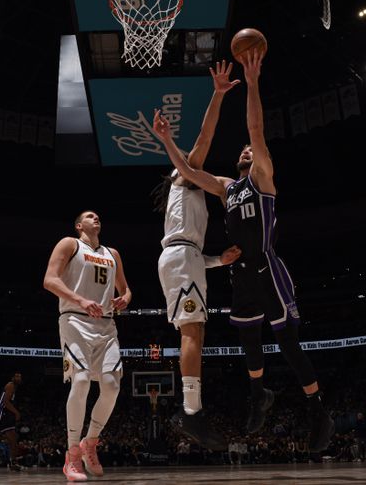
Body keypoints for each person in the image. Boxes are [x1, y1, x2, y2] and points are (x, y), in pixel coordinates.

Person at [151, 49, 333, 453]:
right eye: (244, 152)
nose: (246, 151)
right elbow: (190, 165)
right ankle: (256, 396)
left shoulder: (262, 175)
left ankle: (317, 410)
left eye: (250, 151)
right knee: (247, 339)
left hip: (267, 265)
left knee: (284, 342)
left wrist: (251, 84)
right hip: (231, 271)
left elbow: (254, 129)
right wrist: (166, 140)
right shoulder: (223, 187)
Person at [153, 60, 241, 449]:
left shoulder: (189, 193)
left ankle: (191, 409)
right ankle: (191, 414)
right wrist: (217, 95)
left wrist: (217, 261)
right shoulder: (184, 176)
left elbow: (191, 250)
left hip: (185, 259)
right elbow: (205, 136)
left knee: (197, 331)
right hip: (180, 259)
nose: (196, 158)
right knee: (193, 331)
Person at [44, 210, 132, 482]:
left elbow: (126, 290)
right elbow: (50, 280)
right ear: (78, 225)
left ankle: (89, 442)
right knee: (80, 381)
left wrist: (124, 298)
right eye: (89, 216)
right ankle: (71, 455)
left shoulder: (112, 253)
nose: (96, 218)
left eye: (98, 216)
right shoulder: (70, 244)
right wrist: (80, 300)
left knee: (112, 385)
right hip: (75, 320)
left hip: (106, 325)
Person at [0, 372, 23, 471]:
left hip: (6, 415)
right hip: (1, 413)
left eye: (20, 376)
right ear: (12, 377)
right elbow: (5, 402)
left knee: (13, 440)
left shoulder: (14, 387)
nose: (19, 378)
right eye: (16, 376)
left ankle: (13, 462)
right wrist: (16, 412)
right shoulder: (10, 385)